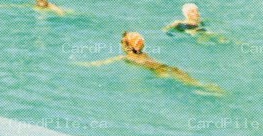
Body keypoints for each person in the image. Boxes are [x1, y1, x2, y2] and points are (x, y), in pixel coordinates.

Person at [81, 33, 224, 94]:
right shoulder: (144, 54)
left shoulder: (124, 57)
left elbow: (102, 63)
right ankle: (209, 87)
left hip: (158, 70)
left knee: (186, 84)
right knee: (192, 81)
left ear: (125, 46)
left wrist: (85, 65)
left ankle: (206, 88)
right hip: (165, 66)